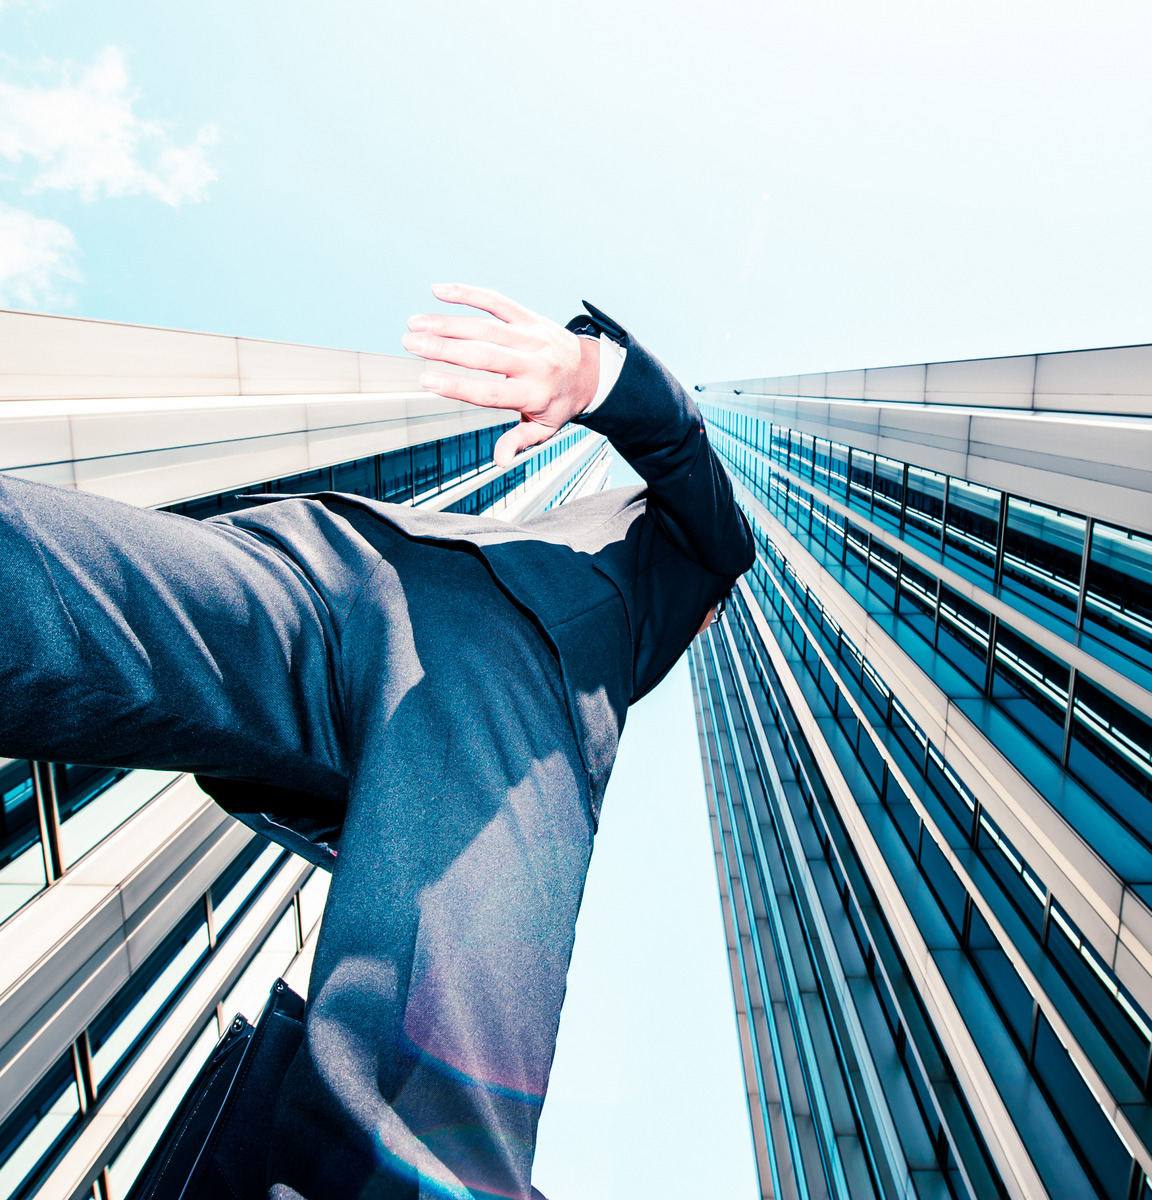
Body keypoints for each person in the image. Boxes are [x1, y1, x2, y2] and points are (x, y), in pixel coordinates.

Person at [0, 285, 754, 1200]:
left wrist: (599, 380)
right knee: (58, 581)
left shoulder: (681, 587)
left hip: (472, 686)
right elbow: (675, 458)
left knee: (420, 1091)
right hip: (353, 579)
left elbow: (699, 494)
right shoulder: (639, 546)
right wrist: (593, 374)